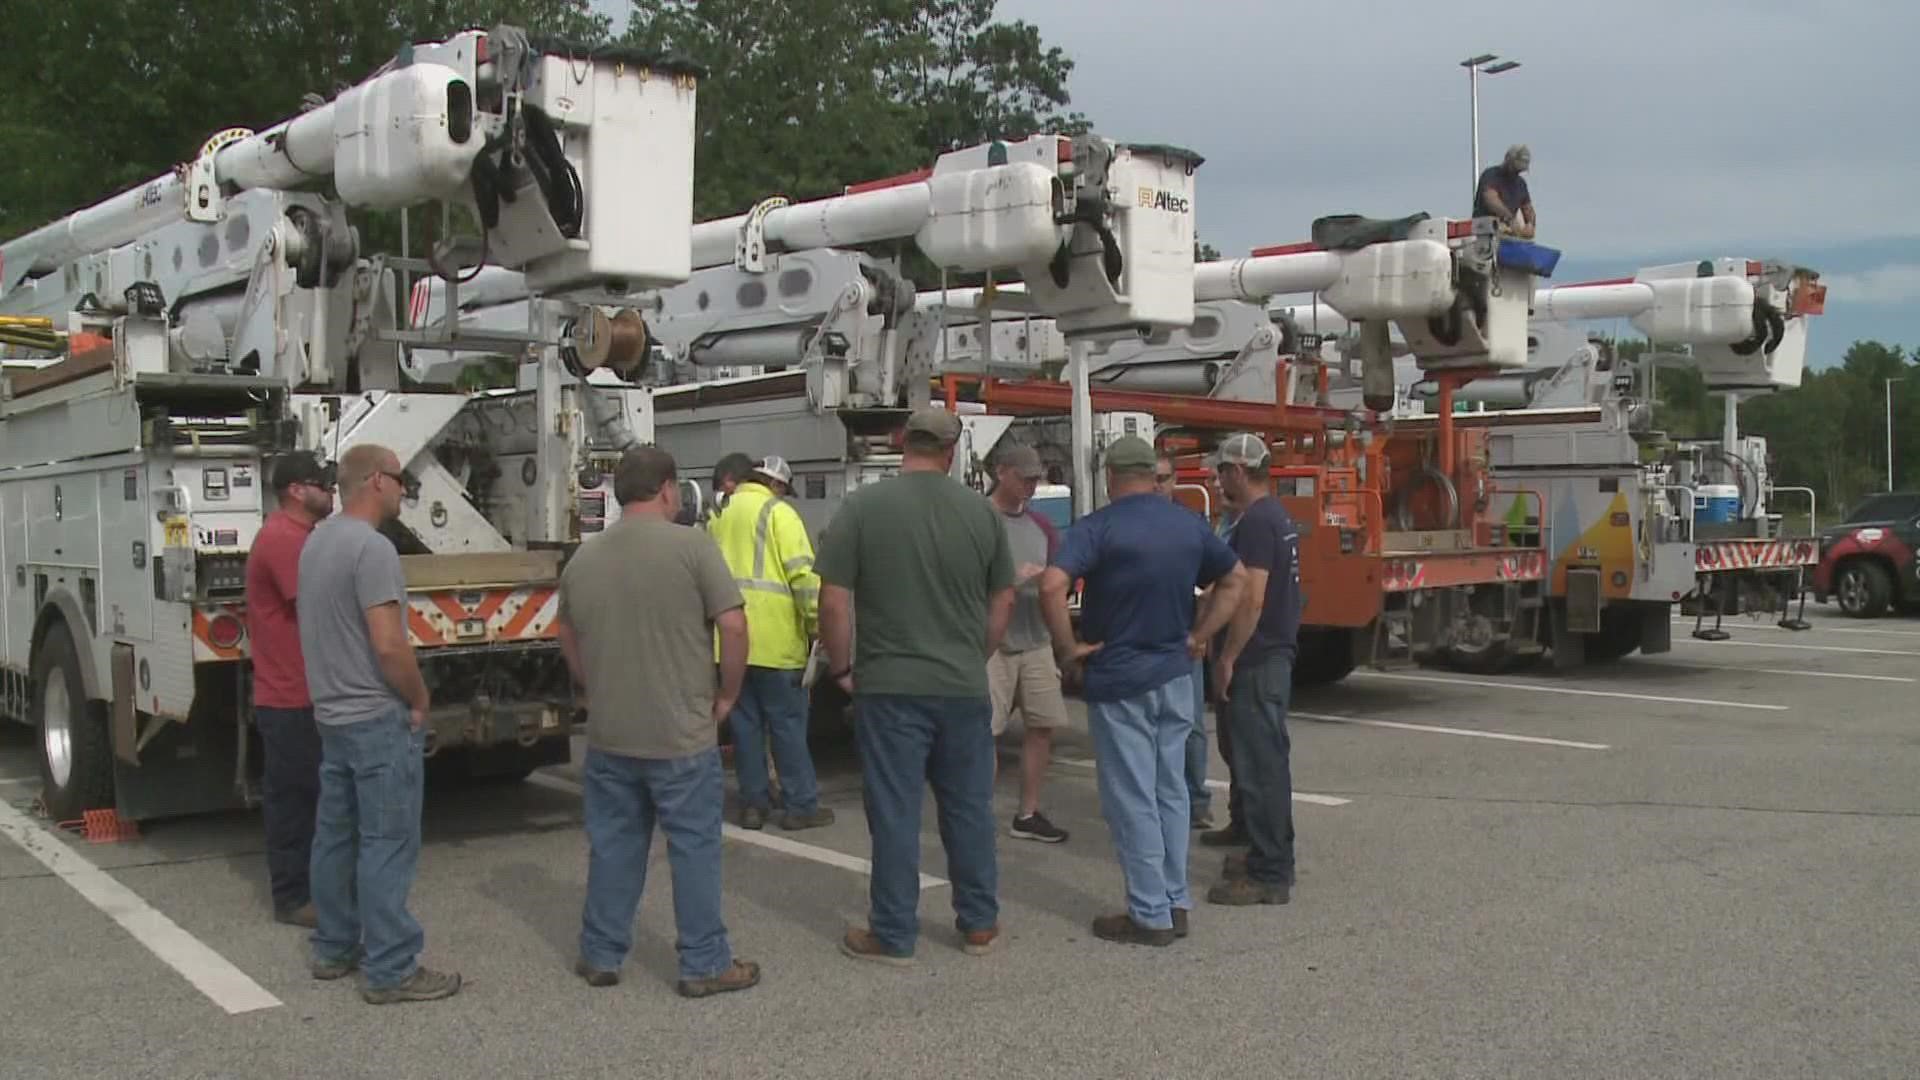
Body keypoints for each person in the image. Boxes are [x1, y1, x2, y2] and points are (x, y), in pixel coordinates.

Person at [555, 445, 762, 998]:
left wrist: (590, 687)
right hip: (680, 733)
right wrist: (727, 696)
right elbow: (735, 626)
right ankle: (703, 962)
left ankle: (601, 953)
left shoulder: (585, 558)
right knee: (693, 848)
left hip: (611, 733)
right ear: (668, 488)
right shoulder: (692, 546)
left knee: (615, 846)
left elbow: (567, 633)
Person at [818, 407, 1015, 965]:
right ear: (952, 451)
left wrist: (841, 668)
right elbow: (1003, 599)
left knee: (896, 812)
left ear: (902, 443)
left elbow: (832, 600)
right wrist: (977, 652)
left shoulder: (862, 508)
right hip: (960, 684)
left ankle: (894, 933)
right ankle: (978, 923)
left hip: (889, 685)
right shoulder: (980, 515)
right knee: (969, 808)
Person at [1039, 436, 1247, 946]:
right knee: (1170, 791)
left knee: (1132, 797)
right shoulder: (1187, 523)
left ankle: (1149, 912)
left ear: (1110, 476)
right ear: (1153, 477)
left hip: (1121, 676)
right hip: (1176, 674)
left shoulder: (1100, 527)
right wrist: (1200, 637)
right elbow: (1234, 579)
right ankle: (1174, 901)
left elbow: (1050, 585)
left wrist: (1067, 651)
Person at [300, 443, 458, 1005]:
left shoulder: (317, 541)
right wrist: (418, 698)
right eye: (399, 478)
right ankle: (391, 968)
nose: (404, 488)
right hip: (375, 715)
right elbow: (389, 644)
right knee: (387, 842)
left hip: (332, 715)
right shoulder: (373, 550)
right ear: (373, 482)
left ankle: (335, 947)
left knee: (335, 837)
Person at [1206, 433, 1304, 907]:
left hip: (1258, 659)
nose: (1219, 480)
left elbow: (1252, 595)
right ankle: (1264, 851)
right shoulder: (1274, 516)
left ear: (1239, 472)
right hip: (1272, 656)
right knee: (1263, 762)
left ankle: (1270, 872)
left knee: (1262, 765)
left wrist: (1226, 657)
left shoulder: (1257, 524)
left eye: (1223, 472)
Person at [709, 453, 831, 831]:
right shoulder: (780, 515)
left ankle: (753, 805)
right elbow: (804, 578)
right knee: (787, 727)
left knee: (745, 728)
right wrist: (816, 626)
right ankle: (800, 806)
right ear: (776, 485)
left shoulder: (718, 518)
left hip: (730, 644)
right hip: (778, 644)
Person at [244, 451, 334, 929]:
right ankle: (293, 896)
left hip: (302, 693)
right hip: (289, 696)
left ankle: (310, 891)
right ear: (297, 491)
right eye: (322, 483)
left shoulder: (301, 536)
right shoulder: (283, 539)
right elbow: (317, 602)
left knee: (309, 796)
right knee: (297, 800)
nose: (331, 490)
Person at [986, 443, 1070, 844]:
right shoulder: (980, 520)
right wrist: (1009, 581)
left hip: (1035, 637)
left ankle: (1028, 812)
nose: (1032, 486)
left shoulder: (1042, 527)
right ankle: (977, 815)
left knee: (1042, 725)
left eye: (1036, 479)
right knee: (985, 732)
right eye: (1025, 478)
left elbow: (1059, 579)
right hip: (991, 643)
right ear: (1002, 472)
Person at [1154, 452, 1213, 831]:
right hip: (1144, 639)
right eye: (1152, 478)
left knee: (1190, 724)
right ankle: (1155, 800)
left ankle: (1197, 801)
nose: (1158, 485)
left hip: (1184, 637)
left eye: (1164, 478)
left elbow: (1216, 582)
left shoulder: (1192, 524)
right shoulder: (1133, 522)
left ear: (1176, 480)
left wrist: (1202, 634)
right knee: (1148, 726)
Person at [1473, 144, 1536, 239]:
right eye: (1515, 169)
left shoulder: (1521, 184)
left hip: (1508, 233)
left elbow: (1528, 208)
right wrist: (1509, 219)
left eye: (1520, 171)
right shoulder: (1491, 175)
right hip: (1484, 231)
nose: (1516, 173)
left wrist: (1530, 224)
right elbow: (1491, 199)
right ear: (1508, 161)